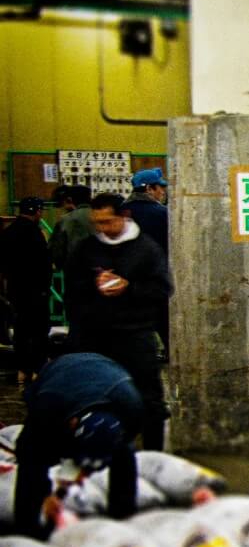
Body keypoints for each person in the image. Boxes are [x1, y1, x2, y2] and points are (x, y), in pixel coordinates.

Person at [63, 193, 172, 450]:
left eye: (108, 221)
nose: (102, 228)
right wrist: (93, 285)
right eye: (97, 223)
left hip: (135, 335)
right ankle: (93, 453)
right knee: (90, 397)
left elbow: (162, 289)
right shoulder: (86, 248)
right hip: (94, 336)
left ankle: (153, 456)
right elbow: (72, 290)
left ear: (124, 216)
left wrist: (129, 287)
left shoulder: (146, 248)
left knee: (149, 400)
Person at [10, 352, 143, 539]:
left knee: (123, 456)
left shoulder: (132, 411)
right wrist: (46, 497)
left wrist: (81, 471)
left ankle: (123, 515)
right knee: (32, 456)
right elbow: (29, 455)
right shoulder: (48, 406)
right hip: (59, 374)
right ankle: (27, 531)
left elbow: (120, 453)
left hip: (111, 375)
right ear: (72, 424)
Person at [1, 196, 52, 381]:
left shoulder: (8, 232)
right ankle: (39, 370)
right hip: (36, 291)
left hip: (16, 290)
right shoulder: (35, 233)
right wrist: (45, 286)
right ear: (38, 212)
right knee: (39, 330)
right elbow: (44, 263)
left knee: (21, 331)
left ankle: (22, 371)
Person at [126, 168, 169, 256]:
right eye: (160, 188)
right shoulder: (163, 212)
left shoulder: (122, 209)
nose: (163, 192)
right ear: (149, 188)